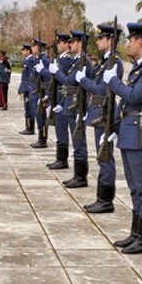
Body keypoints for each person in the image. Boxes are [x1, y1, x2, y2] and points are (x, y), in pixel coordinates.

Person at [100, 22, 142, 254]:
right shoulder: (140, 67)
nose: (128, 44)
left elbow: (135, 96)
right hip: (131, 131)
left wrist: (113, 81)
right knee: (134, 188)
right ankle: (136, 233)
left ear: (140, 42)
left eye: (130, 40)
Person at [77, 23, 124, 212]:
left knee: (105, 157)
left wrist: (83, 80)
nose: (97, 41)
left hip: (106, 115)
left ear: (110, 41)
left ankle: (106, 200)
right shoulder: (105, 63)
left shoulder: (114, 63)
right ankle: (101, 197)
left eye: (101, 38)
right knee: (101, 157)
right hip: (99, 113)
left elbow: (102, 90)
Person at [50, 30, 89, 187]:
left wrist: (56, 72)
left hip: (78, 106)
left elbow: (69, 81)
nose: (69, 44)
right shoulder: (76, 61)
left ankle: (81, 177)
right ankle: (77, 175)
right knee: (76, 141)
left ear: (80, 43)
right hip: (72, 103)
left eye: (73, 42)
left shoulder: (83, 61)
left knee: (79, 142)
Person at [44, 32, 73, 169]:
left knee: (61, 130)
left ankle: (62, 160)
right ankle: (59, 158)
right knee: (58, 130)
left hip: (62, 98)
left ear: (67, 44)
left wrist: (59, 102)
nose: (58, 45)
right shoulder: (61, 60)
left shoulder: (67, 61)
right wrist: (49, 98)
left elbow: (62, 81)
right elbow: (53, 82)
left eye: (60, 43)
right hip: (57, 98)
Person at [28, 38, 50, 148]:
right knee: (39, 115)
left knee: (41, 116)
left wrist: (46, 94)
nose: (31, 48)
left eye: (34, 46)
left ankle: (43, 139)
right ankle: (40, 138)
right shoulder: (37, 59)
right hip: (37, 91)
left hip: (42, 92)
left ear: (39, 48)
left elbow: (48, 77)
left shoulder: (44, 60)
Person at [18, 43, 35, 135]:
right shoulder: (27, 60)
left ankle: (30, 128)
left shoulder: (31, 61)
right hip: (25, 88)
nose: (22, 51)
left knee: (29, 109)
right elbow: (24, 77)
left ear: (28, 51)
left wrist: (27, 89)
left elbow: (30, 77)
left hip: (28, 89)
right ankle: (28, 127)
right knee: (27, 109)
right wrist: (21, 87)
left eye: (24, 49)